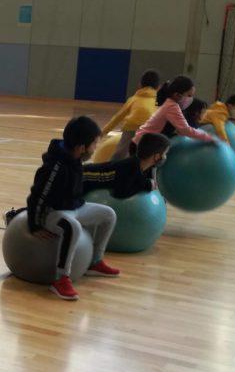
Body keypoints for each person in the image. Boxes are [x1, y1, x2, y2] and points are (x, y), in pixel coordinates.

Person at [26, 116, 120, 301]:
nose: (95, 148)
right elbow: (37, 196)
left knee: (109, 214)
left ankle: (95, 261)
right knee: (72, 227)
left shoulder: (74, 158)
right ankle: (61, 279)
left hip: (73, 207)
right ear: (81, 147)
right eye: (94, 144)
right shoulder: (54, 167)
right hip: (53, 213)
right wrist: (34, 225)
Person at [132, 75, 216, 154]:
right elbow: (185, 130)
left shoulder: (172, 104)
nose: (191, 99)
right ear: (177, 95)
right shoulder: (172, 106)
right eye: (189, 95)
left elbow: (180, 130)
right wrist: (209, 138)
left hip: (144, 143)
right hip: (141, 145)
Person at [82, 133, 170, 199]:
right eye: (165, 154)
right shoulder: (130, 166)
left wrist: (147, 184)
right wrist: (146, 186)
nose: (165, 157)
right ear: (156, 156)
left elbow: (137, 180)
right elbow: (121, 193)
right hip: (82, 177)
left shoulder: (143, 166)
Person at [100, 69, 161, 161]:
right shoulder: (156, 102)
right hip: (149, 131)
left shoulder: (133, 99)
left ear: (140, 85)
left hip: (130, 129)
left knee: (120, 154)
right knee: (144, 156)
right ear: (158, 87)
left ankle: (112, 167)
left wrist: (103, 132)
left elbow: (118, 117)